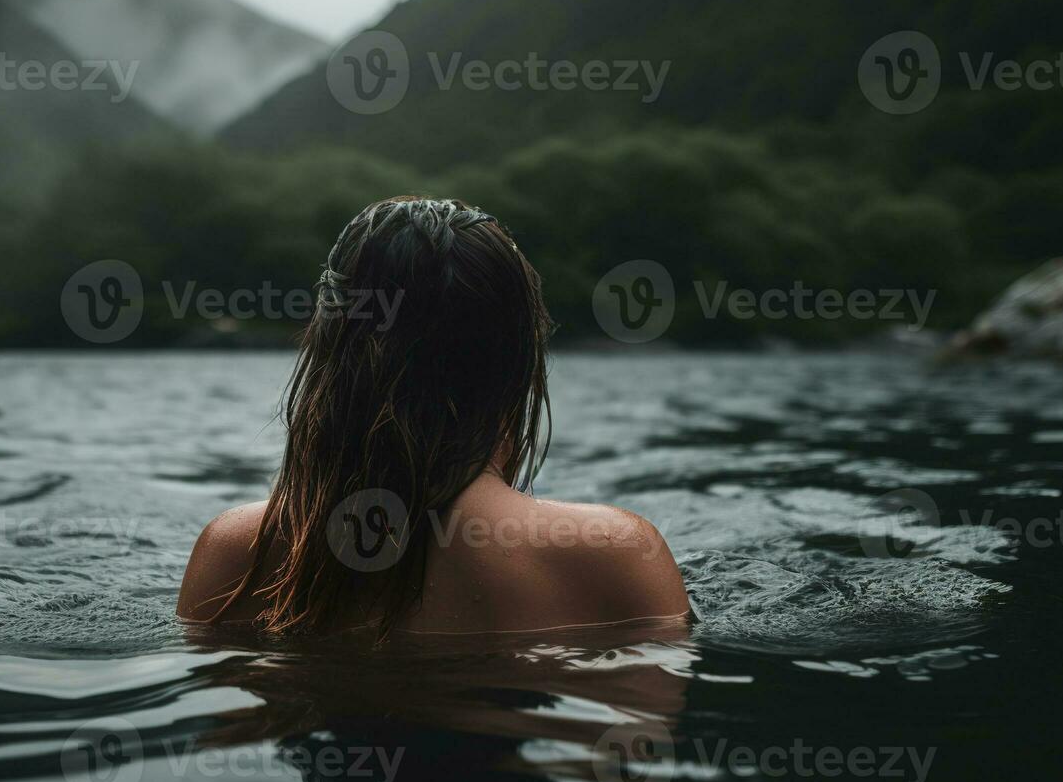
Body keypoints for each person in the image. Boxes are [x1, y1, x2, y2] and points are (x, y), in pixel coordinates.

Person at [177, 196, 689, 637]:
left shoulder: (234, 553)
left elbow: (228, 735)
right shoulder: (614, 554)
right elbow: (632, 742)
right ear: (519, 361)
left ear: (330, 356)